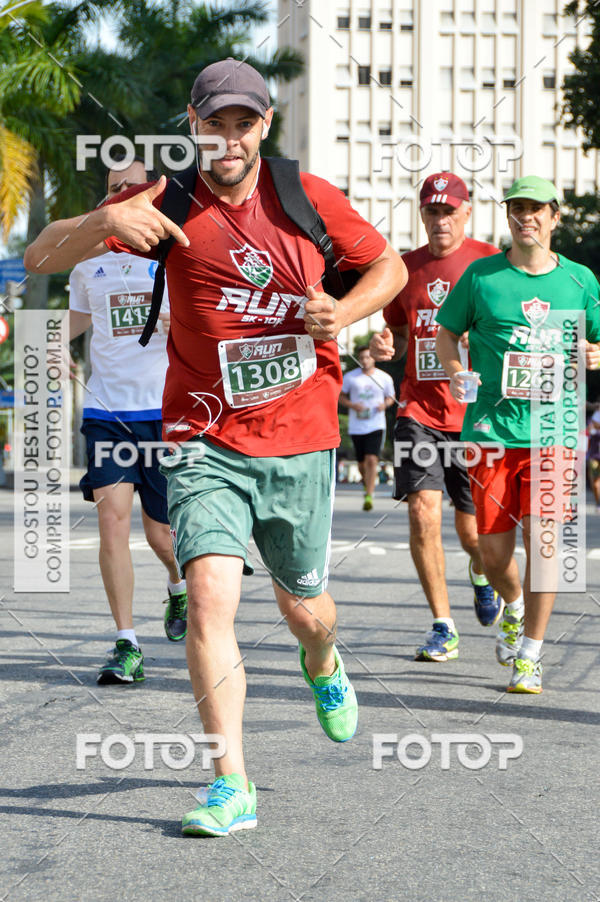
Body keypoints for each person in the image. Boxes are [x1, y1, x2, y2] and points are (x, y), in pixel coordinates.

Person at [25, 59, 407, 835]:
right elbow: (38, 257)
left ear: (264, 126)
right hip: (203, 435)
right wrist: (102, 223)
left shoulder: (305, 197)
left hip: (300, 435)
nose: (227, 139)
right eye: (213, 123)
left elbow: (389, 267)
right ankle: (231, 783)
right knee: (207, 596)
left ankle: (323, 664)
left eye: (243, 123)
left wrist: (345, 309)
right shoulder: (164, 202)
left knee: (307, 611)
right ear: (192, 127)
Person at [436, 175, 600, 693]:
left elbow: (597, 338)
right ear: (508, 217)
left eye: (535, 209)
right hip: (491, 432)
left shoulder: (580, 281)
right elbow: (445, 332)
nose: (524, 217)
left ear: (554, 216)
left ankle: (530, 653)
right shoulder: (482, 277)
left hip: (556, 431)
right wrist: (453, 367)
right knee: (493, 554)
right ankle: (510, 603)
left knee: (546, 545)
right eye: (516, 208)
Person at [370, 173, 502, 662]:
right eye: (432, 211)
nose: (440, 220)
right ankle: (443, 625)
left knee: (474, 535)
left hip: (475, 417)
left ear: (466, 212)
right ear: (421, 214)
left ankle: (483, 572)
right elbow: (400, 337)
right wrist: (385, 347)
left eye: (449, 211)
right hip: (418, 410)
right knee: (423, 512)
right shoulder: (404, 270)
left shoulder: (491, 264)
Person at [68, 157, 188, 685]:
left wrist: (176, 321)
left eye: (135, 188)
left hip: (162, 414)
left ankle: (178, 586)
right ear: (105, 201)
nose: (125, 195)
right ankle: (126, 643)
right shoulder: (85, 266)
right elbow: (66, 326)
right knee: (111, 520)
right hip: (107, 414)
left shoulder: (174, 260)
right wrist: (53, 349)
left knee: (162, 537)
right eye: (116, 189)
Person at [339, 345, 395, 510]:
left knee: (372, 459)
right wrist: (352, 405)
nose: (365, 360)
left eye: (368, 357)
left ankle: (369, 495)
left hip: (376, 424)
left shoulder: (384, 377)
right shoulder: (351, 377)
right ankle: (366, 483)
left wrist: (384, 405)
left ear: (374, 358)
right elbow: (340, 396)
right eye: (362, 357)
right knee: (362, 463)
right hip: (357, 425)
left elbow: (391, 397)